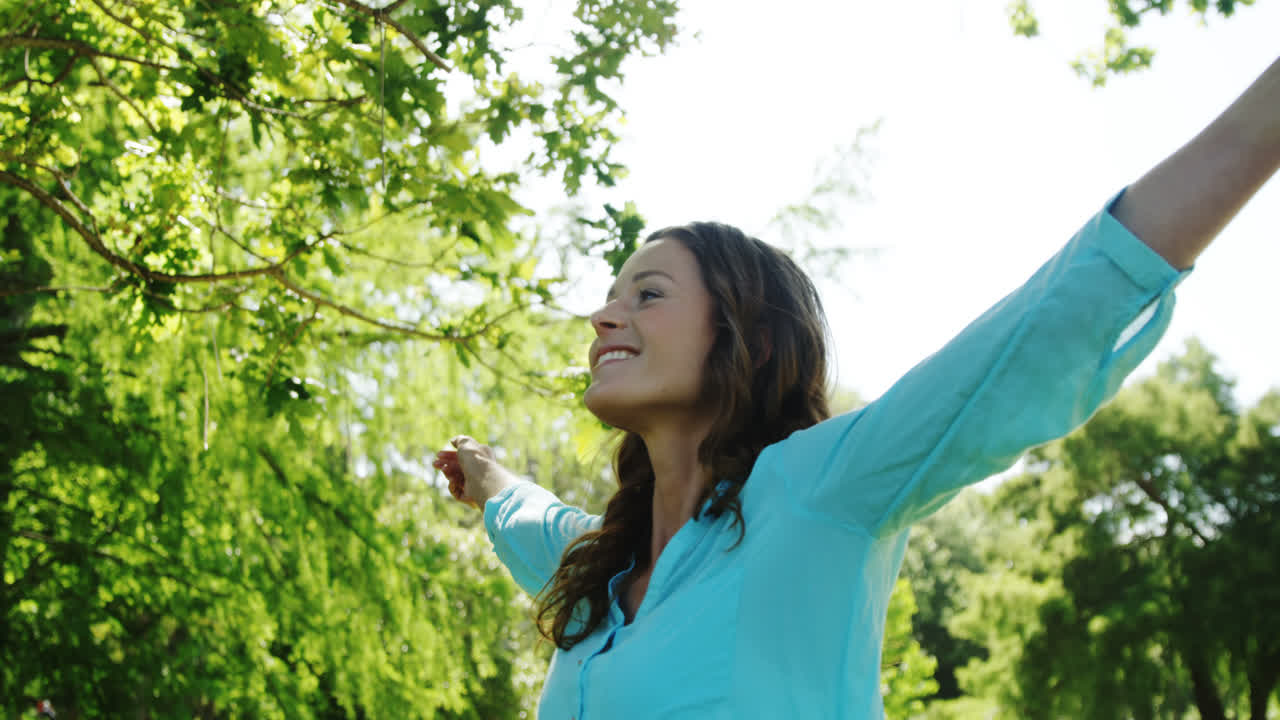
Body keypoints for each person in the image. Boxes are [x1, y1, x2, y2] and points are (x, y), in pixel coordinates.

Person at [433, 56, 1280, 719]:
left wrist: (1262, 121)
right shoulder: (600, 569)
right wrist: (489, 479)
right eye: (613, 296)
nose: (603, 317)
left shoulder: (818, 492)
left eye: (647, 295)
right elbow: (531, 517)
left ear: (749, 338)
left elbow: (1038, 334)